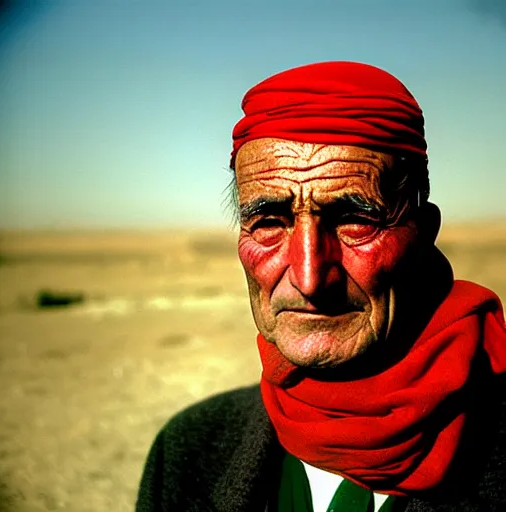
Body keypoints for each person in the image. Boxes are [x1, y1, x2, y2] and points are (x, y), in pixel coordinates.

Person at [135, 62, 506, 511]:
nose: (309, 279)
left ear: (423, 233)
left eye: (355, 221)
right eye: (269, 223)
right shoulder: (188, 448)